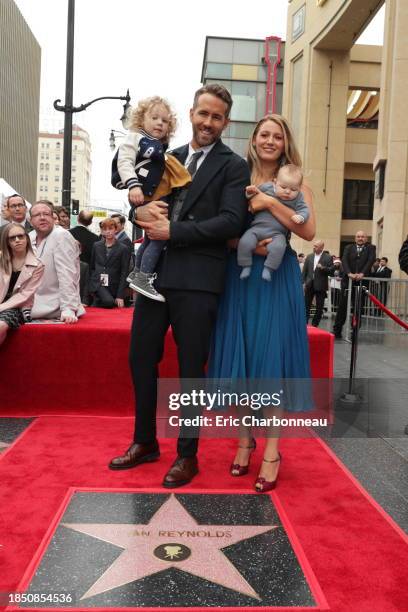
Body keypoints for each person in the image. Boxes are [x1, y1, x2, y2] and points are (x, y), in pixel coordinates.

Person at [109, 83, 249, 487]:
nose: (208, 122)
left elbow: (230, 221)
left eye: (217, 116)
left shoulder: (233, 166)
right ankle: (145, 441)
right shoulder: (167, 156)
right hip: (154, 279)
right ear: (191, 113)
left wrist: (175, 231)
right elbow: (139, 209)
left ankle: (187, 455)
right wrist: (141, 213)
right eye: (203, 113)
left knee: (191, 371)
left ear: (225, 122)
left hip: (199, 281)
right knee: (140, 357)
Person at [208, 114, 315, 492]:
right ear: (254, 139)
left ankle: (272, 451)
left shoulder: (297, 183)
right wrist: (243, 244)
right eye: (264, 134)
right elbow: (222, 233)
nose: (270, 141)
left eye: (278, 136)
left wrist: (271, 202)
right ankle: (243, 440)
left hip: (277, 279)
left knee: (272, 361)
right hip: (240, 279)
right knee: (244, 359)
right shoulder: (236, 177)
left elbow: (308, 229)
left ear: (285, 143)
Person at [114, 96, 191, 302]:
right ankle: (143, 277)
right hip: (143, 192)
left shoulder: (159, 146)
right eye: (154, 117)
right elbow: (125, 161)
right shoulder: (134, 137)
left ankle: (137, 272)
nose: (160, 123)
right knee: (158, 237)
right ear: (141, 119)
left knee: (150, 237)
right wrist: (133, 184)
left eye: (164, 121)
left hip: (151, 194)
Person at [238, 164, 309, 281]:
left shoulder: (298, 198)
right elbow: (253, 195)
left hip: (278, 234)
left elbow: (304, 210)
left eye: (293, 189)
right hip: (256, 228)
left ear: (299, 189)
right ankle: (245, 265)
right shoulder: (267, 188)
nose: (287, 191)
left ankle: (269, 269)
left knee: (279, 247)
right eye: (283, 187)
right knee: (245, 242)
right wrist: (249, 192)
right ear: (275, 182)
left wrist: (301, 217)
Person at [29, 201, 85, 323]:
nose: (42, 217)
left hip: (56, 306)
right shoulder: (29, 237)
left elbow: (67, 275)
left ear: (53, 217)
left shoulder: (62, 236)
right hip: (31, 304)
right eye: (37, 215)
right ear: (30, 221)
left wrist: (68, 309)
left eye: (46, 214)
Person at [0, 223, 44, 346]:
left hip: (18, 307)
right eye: (12, 238)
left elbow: (25, 295)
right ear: (7, 242)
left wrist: (2, 307)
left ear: (27, 238)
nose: (17, 240)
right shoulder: (1, 259)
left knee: (1, 326)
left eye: (20, 236)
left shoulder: (38, 265)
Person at [333, 230, 376, 339]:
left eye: (362, 236)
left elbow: (370, 261)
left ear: (366, 238)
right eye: (358, 236)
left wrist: (362, 273)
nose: (360, 238)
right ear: (355, 238)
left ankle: (354, 332)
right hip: (348, 282)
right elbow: (344, 260)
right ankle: (337, 330)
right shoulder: (348, 247)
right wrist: (348, 273)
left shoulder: (371, 248)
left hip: (362, 283)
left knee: (358, 308)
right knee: (342, 307)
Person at [88, 217, 130, 308]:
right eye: (105, 229)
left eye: (110, 229)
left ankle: (97, 300)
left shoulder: (123, 248)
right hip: (97, 283)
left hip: (113, 285)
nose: (108, 231)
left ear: (115, 229)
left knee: (109, 302)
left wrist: (120, 296)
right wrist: (92, 283)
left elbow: (124, 272)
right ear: (102, 231)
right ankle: (97, 297)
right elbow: (92, 267)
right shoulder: (96, 246)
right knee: (109, 302)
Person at [302, 240, 334, 327]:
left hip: (321, 285)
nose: (314, 247)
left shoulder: (328, 257)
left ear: (322, 247)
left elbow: (331, 271)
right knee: (305, 306)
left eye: (316, 246)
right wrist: (303, 283)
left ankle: (314, 324)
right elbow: (304, 271)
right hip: (309, 284)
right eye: (314, 246)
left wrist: (323, 268)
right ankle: (304, 324)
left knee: (319, 307)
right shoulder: (309, 256)